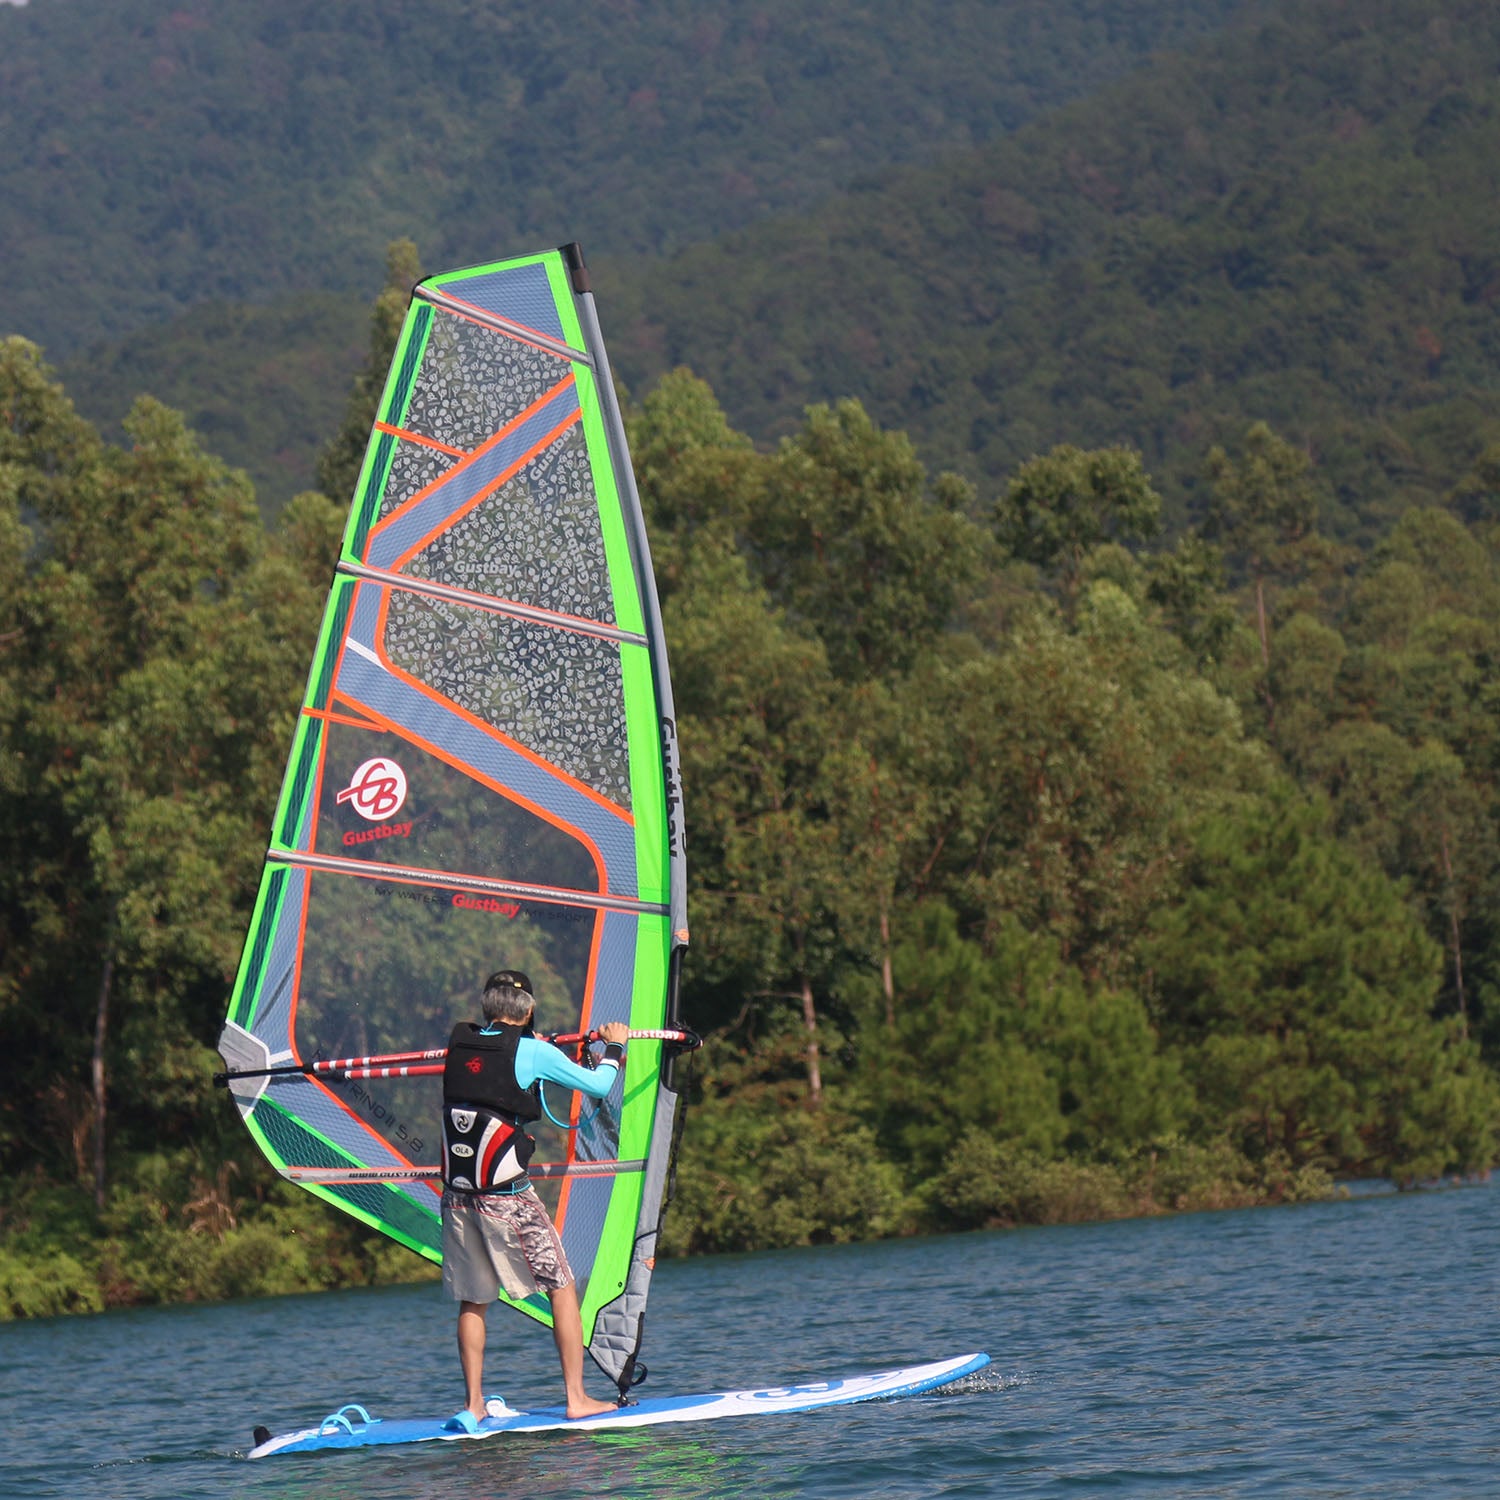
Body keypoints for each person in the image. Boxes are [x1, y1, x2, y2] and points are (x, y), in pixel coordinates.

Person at [440, 968, 629, 1422]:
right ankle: (577, 1399)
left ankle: (473, 1405)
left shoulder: (459, 1044)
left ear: (487, 1008)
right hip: (509, 1200)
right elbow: (600, 1085)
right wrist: (615, 1047)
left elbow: (496, 1063)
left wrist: (531, 1043)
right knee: (562, 1289)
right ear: (527, 1012)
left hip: (457, 1196)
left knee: (474, 1299)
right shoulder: (534, 1052)